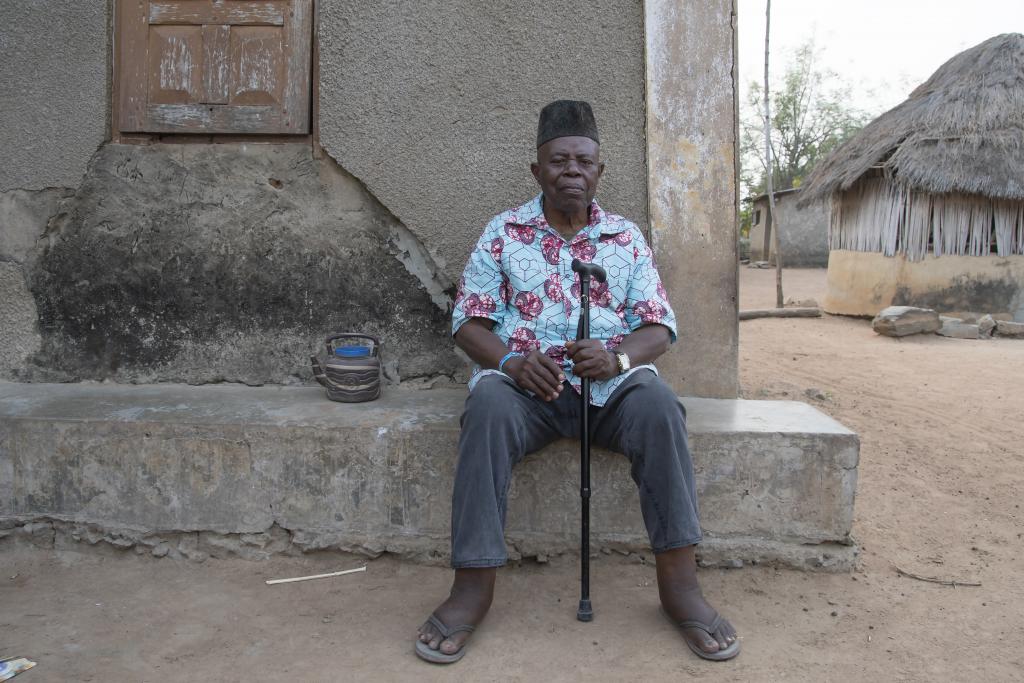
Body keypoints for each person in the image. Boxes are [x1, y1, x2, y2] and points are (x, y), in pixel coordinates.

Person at [415, 100, 740, 664]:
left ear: (599, 172)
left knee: (661, 404)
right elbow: (467, 321)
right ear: (536, 171)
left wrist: (617, 358)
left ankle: (680, 588)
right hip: (528, 394)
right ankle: (472, 588)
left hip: (612, 394)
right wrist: (511, 363)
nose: (571, 171)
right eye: (558, 160)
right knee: (487, 405)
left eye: (583, 161)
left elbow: (660, 325)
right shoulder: (505, 232)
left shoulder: (625, 237)